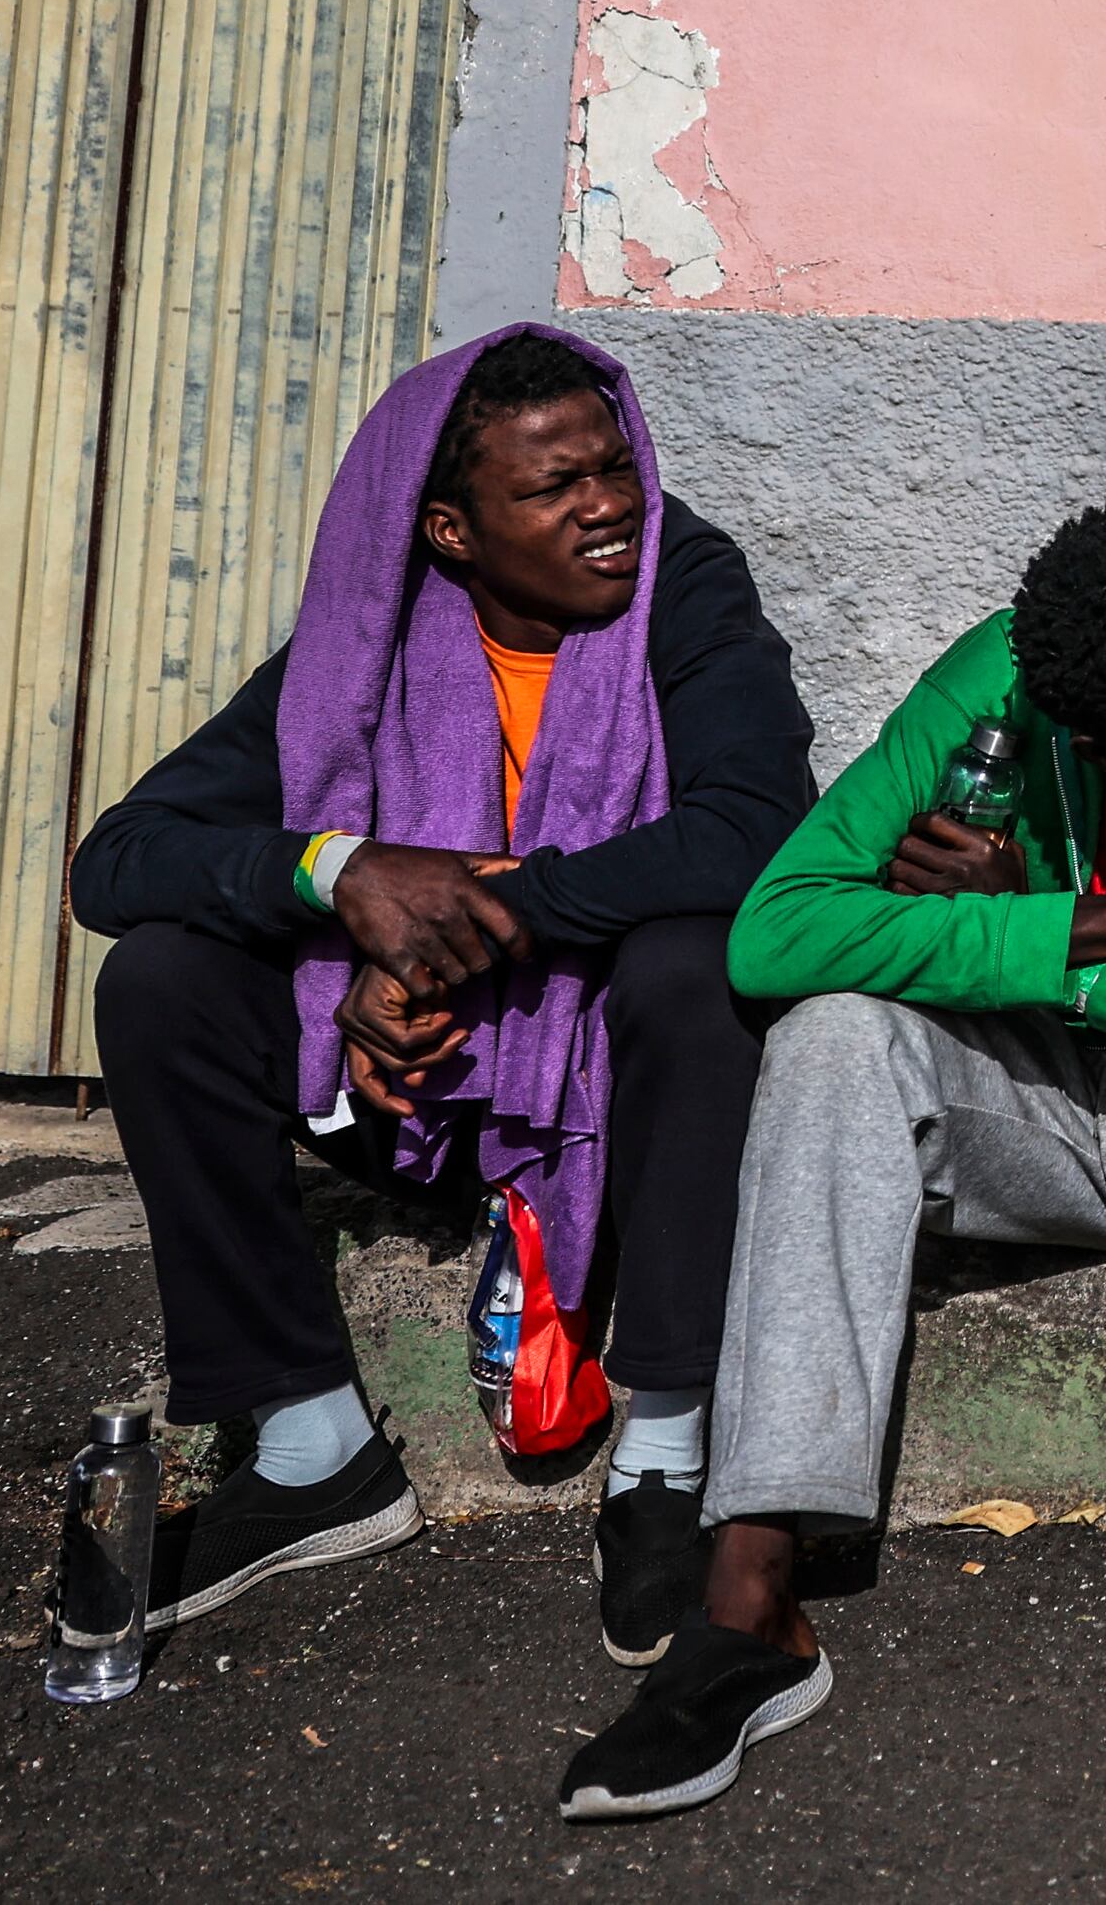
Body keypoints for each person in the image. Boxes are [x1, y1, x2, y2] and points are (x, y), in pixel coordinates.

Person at [554, 502, 1106, 1905]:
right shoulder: (1000, 689)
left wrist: (1042, 968)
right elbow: (782, 928)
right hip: (1052, 1116)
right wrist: (1092, 927)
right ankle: (749, 1603)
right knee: (833, 1031)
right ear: (1097, 739)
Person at [73, 326, 816, 1663]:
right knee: (162, 978)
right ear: (452, 530)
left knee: (700, 959)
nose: (608, 509)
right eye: (555, 488)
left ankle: (662, 1462)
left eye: (615, 468)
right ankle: (313, 1449)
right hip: (407, 1094)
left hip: (610, 1095)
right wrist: (339, 872)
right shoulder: (370, 632)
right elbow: (119, 858)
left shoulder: (684, 587)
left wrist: (464, 926)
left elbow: (756, 826)